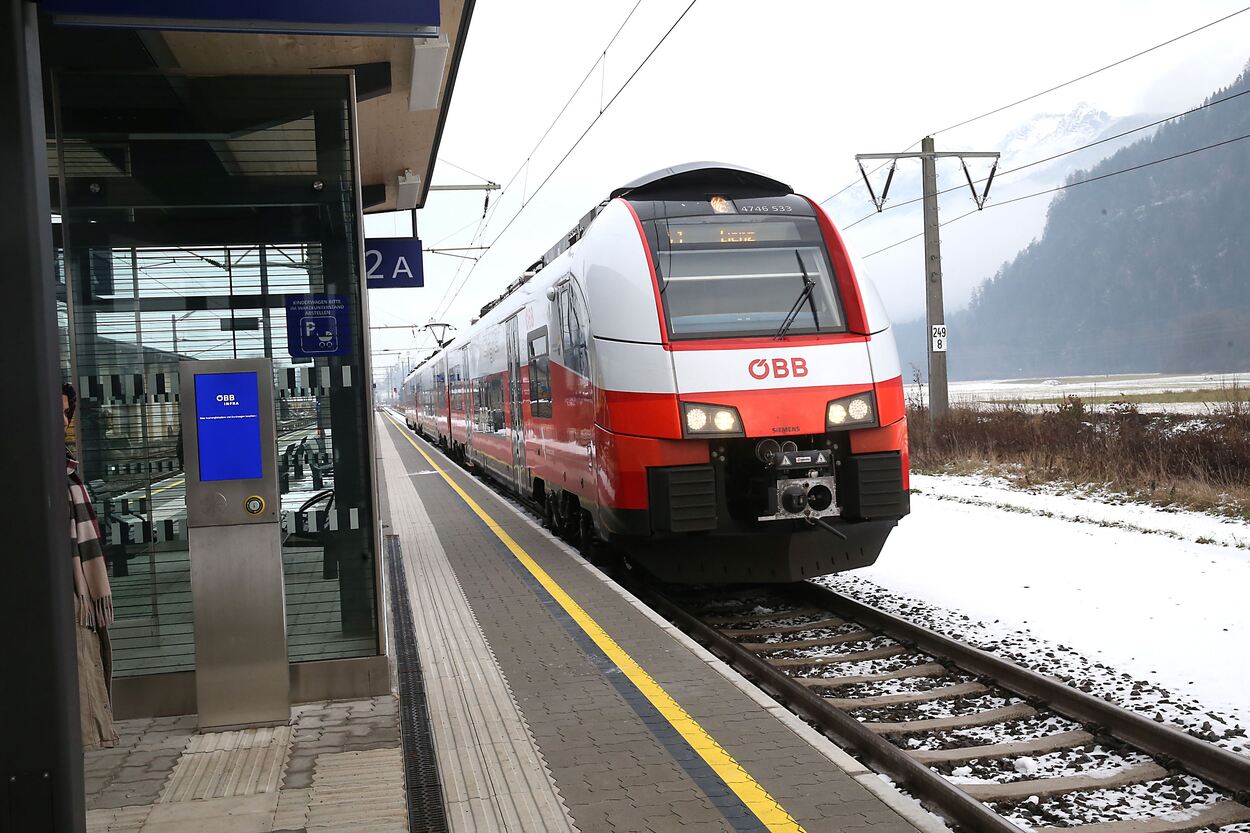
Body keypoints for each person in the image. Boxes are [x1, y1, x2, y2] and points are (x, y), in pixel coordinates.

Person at [64, 383, 118, 750]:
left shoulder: (66, 470)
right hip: (68, 592)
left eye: (65, 412)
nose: (61, 419)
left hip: (79, 590)